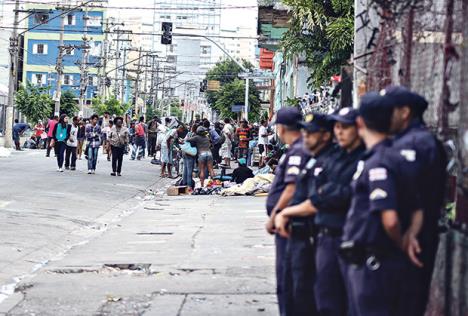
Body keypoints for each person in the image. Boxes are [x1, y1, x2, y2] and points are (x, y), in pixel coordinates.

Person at [339, 92, 421, 316]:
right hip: (377, 262)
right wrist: (411, 234)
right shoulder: (397, 156)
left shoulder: (378, 162)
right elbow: (417, 206)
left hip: (374, 264)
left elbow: (390, 220)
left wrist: (401, 242)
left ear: (360, 122)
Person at [380, 86, 447, 315]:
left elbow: (412, 195)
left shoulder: (416, 144)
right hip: (403, 238)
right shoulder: (404, 141)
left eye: (388, 110)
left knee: (404, 304)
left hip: (411, 240)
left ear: (405, 112)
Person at [273, 113, 336, 316]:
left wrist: (279, 213)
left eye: (311, 133)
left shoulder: (307, 155)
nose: (306, 137)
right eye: (305, 132)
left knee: (300, 287)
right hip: (297, 228)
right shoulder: (311, 157)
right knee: (293, 283)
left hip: (305, 229)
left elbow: (296, 191)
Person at [264, 107, 310, 316]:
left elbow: (291, 189)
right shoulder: (294, 149)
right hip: (288, 225)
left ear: (281, 128)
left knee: (290, 280)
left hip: (290, 225)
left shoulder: (298, 151)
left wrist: (275, 216)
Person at [182, 124, 198, 188]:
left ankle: (184, 183)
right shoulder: (195, 135)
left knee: (185, 169)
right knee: (189, 170)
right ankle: (189, 185)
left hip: (185, 152)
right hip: (190, 153)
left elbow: (184, 140)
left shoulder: (188, 133)